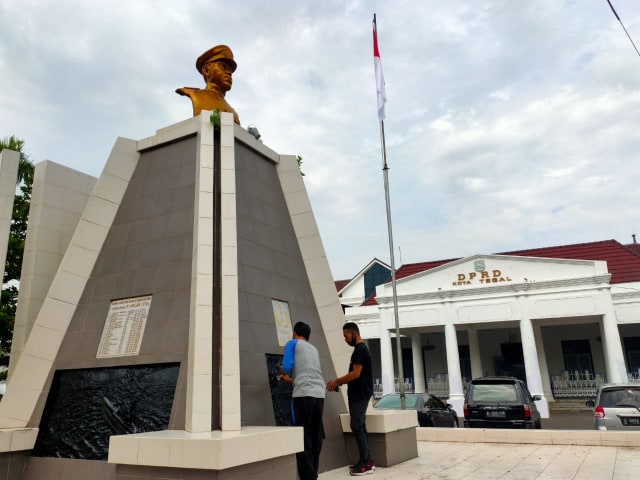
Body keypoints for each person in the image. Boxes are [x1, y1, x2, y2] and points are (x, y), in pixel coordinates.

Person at [326, 322, 375, 476]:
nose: (345, 339)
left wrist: (337, 381)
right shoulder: (360, 350)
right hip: (359, 394)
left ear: (354, 333)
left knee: (357, 427)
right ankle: (367, 460)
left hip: (359, 395)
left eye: (346, 336)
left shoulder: (360, 350)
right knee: (360, 426)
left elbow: (355, 374)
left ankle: (366, 463)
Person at [279, 321, 326, 480]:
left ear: (294, 333)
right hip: (319, 395)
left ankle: (307, 478)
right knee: (315, 435)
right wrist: (291, 380)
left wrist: (282, 371)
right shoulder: (313, 349)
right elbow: (308, 376)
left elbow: (287, 366)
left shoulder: (292, 343)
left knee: (303, 436)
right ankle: (313, 473)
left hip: (302, 397)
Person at [176, 44, 241, 124]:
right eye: (223, 67)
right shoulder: (197, 96)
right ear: (206, 71)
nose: (229, 73)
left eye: (230, 71)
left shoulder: (233, 113)